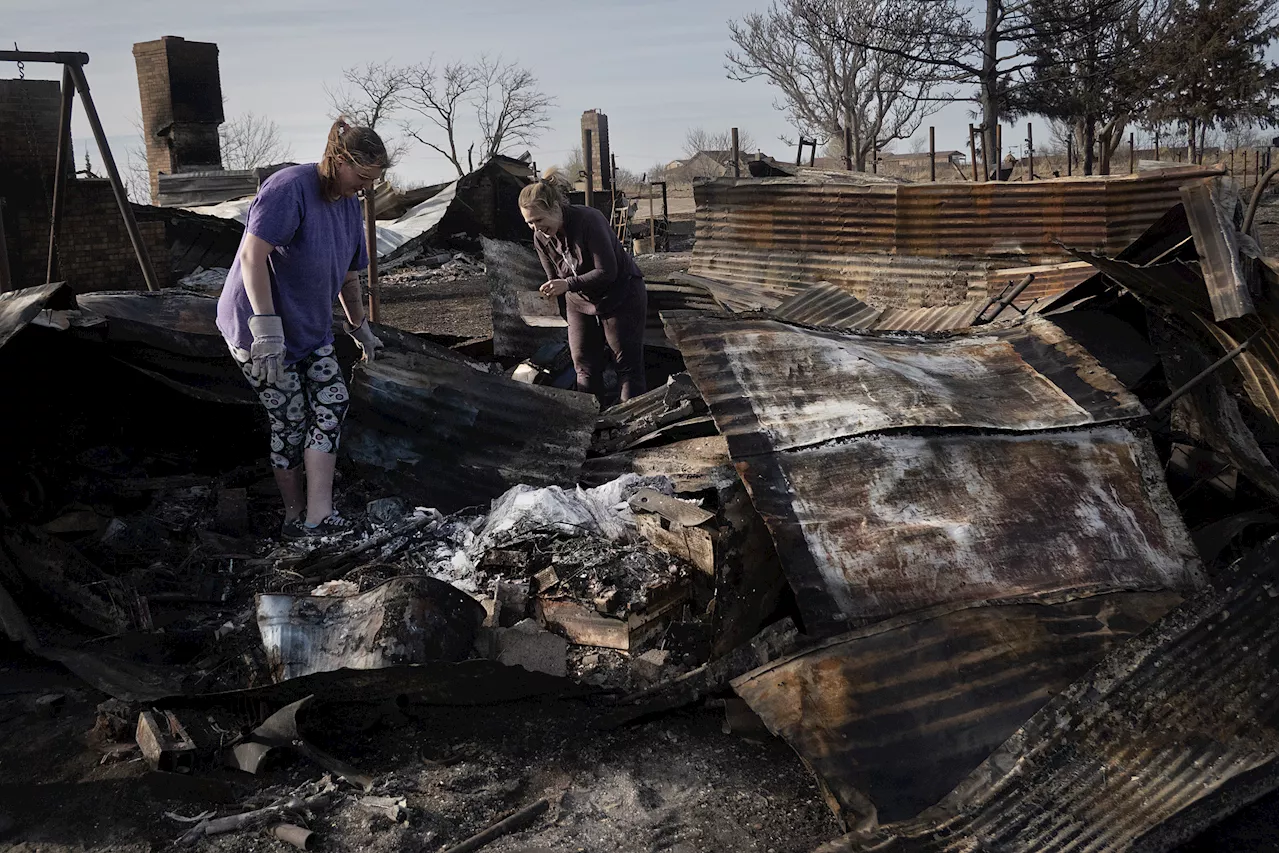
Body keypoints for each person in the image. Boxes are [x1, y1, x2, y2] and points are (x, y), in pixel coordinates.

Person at [216, 118, 390, 539]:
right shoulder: (288, 189)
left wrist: (359, 327)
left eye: (374, 180)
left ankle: (318, 515)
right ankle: (292, 516)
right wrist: (266, 329)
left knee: (332, 403)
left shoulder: (350, 204)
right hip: (257, 328)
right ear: (338, 160)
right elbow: (251, 258)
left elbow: (349, 275)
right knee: (290, 420)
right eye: (363, 177)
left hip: (310, 329)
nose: (366, 188)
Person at [521, 170, 648, 402]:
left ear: (555, 208)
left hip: (620, 294)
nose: (535, 228)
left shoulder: (589, 220)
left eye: (539, 220)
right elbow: (555, 280)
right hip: (580, 302)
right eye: (529, 223)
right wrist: (550, 296)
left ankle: (633, 424)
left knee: (626, 367)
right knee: (584, 365)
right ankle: (591, 422)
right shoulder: (540, 238)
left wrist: (567, 284)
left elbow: (607, 272)